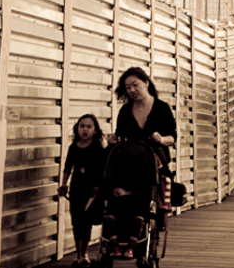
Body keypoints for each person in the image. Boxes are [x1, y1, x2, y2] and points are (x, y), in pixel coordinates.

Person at [109, 67, 177, 176]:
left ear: (146, 83)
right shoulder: (125, 111)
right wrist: (113, 139)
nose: (132, 90)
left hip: (157, 168)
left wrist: (161, 139)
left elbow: (172, 138)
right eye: (128, 87)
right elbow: (120, 136)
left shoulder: (162, 107)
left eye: (135, 85)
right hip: (130, 167)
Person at [57, 114, 106, 266]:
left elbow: (102, 170)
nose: (85, 130)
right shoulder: (73, 147)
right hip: (76, 189)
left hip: (91, 191)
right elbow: (67, 167)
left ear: (95, 131)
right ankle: (78, 255)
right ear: (77, 129)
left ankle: (84, 254)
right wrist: (63, 184)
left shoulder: (98, 148)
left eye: (89, 127)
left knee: (87, 222)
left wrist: (98, 187)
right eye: (82, 126)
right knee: (76, 221)